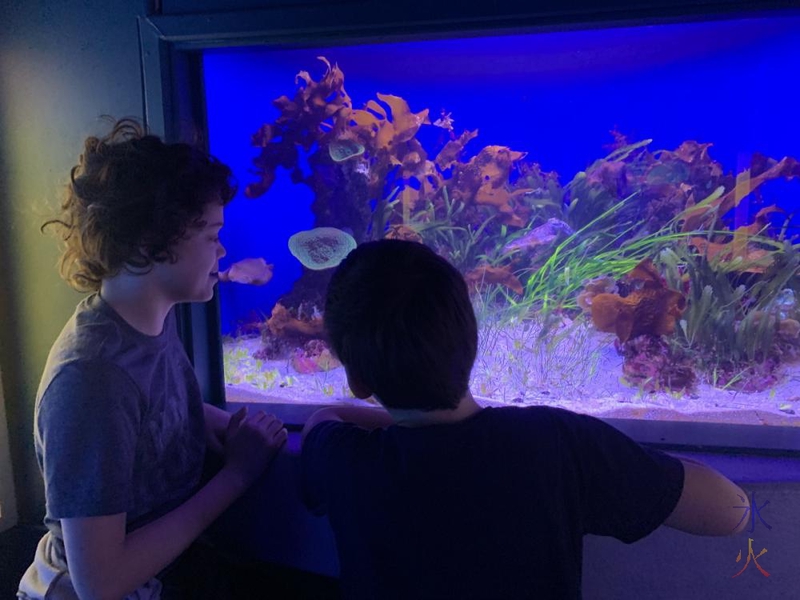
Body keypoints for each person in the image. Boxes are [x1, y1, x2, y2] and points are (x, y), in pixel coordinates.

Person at [301, 238, 750, 600]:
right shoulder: (554, 443)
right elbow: (732, 512)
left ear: (357, 379)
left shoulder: (344, 461)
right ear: (473, 341)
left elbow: (322, 420)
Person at [18, 118, 288, 600]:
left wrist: (223, 426)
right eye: (210, 235)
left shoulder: (148, 317)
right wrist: (237, 475)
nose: (223, 250)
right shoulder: (90, 380)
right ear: (151, 245)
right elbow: (99, 583)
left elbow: (152, 415)